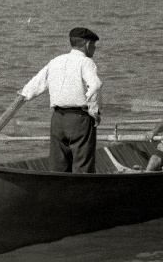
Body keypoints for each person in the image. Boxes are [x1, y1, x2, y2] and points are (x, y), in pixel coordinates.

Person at [19, 27, 102, 173]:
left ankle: (58, 187)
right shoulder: (86, 62)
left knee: (58, 165)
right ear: (88, 44)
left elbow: (36, 83)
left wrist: (24, 94)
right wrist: (94, 112)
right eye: (94, 45)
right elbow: (94, 86)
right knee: (82, 165)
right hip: (79, 119)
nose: (95, 49)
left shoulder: (55, 61)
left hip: (58, 119)